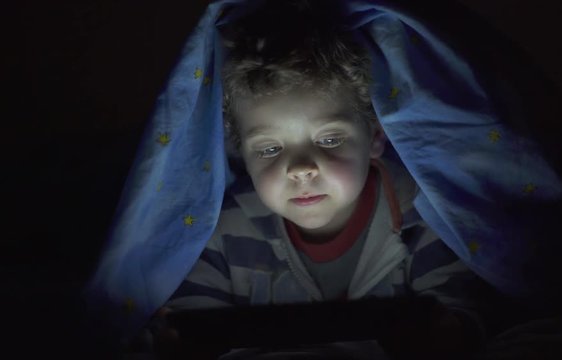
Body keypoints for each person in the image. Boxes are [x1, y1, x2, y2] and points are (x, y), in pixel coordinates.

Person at [124, 1, 493, 359]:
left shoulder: (423, 212)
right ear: (241, 153)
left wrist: (442, 335)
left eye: (330, 140)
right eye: (269, 149)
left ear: (376, 137)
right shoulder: (220, 228)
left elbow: (464, 317)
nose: (300, 169)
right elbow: (187, 326)